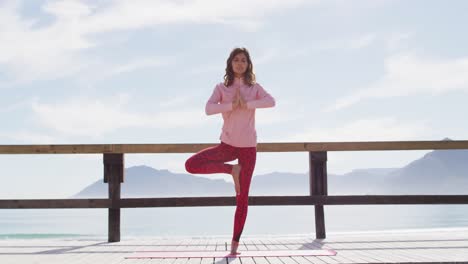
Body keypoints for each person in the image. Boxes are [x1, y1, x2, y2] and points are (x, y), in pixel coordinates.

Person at [185, 47, 275, 255]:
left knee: (242, 198)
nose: (240, 63)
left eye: (244, 60)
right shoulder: (221, 88)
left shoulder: (254, 88)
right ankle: (230, 171)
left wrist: (248, 103)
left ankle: (234, 246)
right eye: (236, 60)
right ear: (230, 63)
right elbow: (208, 109)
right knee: (191, 165)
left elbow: (271, 102)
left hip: (248, 149)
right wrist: (231, 105)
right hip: (227, 146)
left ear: (248, 64)